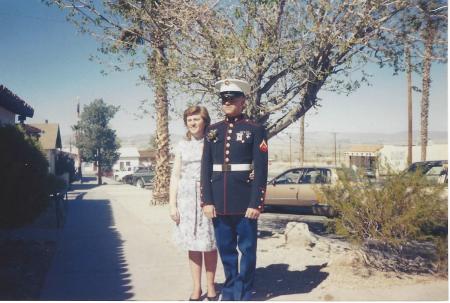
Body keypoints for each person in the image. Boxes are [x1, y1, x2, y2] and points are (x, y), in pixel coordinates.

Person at [200, 79, 269, 301]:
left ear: (243, 101)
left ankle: (245, 292)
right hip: (219, 202)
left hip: (244, 202)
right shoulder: (213, 130)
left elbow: (260, 170)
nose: (227, 102)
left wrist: (255, 204)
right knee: (226, 251)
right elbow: (205, 168)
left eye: (232, 98)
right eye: (224, 99)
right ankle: (230, 291)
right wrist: (207, 201)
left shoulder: (255, 129)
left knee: (247, 251)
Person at [169, 106, 218, 301]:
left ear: (205, 121)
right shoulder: (181, 145)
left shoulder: (212, 142)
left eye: (196, 119)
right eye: (189, 120)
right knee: (193, 245)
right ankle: (197, 288)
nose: (193, 123)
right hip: (186, 199)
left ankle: (211, 286)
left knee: (210, 243)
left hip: (208, 196)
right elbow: (175, 175)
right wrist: (172, 204)